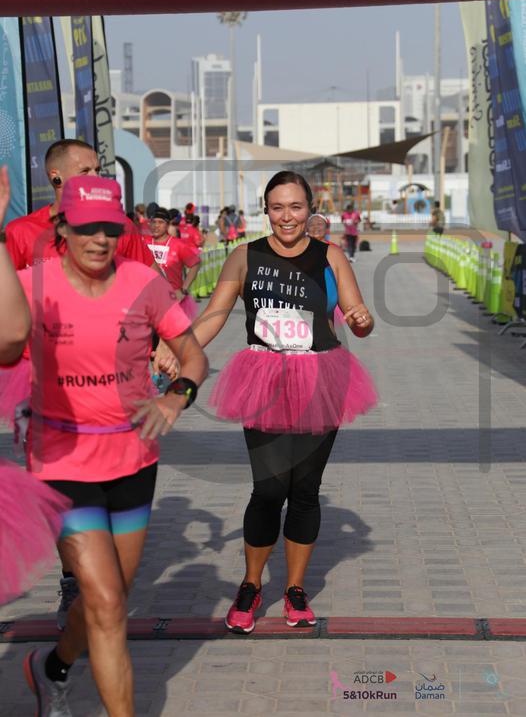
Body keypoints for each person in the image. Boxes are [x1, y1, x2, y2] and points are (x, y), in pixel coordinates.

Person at [16, 174, 208, 717]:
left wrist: (176, 396)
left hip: (133, 458)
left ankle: (53, 667)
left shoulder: (143, 282)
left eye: (110, 228)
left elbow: (192, 354)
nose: (99, 239)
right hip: (61, 460)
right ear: (62, 227)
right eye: (86, 227)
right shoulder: (30, 286)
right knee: (104, 600)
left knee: (112, 597)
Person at [193, 170, 377, 634]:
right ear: (266, 210)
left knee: (305, 490)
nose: (287, 216)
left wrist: (361, 319)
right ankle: (251, 585)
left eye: (296, 207)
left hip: (320, 378)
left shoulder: (330, 255)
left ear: (310, 209)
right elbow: (214, 314)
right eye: (278, 207)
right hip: (264, 379)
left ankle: (295, 589)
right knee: (269, 489)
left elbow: (359, 320)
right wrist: (178, 349)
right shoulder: (245, 256)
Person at [0, 166, 71, 608]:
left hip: (96, 384)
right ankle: (74, 578)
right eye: (85, 170)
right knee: (55, 480)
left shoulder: (116, 231)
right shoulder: (22, 232)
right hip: (33, 377)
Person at [4, 139, 154, 269]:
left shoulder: (123, 227)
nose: (96, 177)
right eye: (85, 171)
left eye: (97, 170)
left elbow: (156, 287)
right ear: (56, 177)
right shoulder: (20, 232)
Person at [143, 207, 201, 318]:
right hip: (147, 298)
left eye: (160, 222)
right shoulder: (143, 241)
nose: (156, 225)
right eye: (153, 222)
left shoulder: (178, 245)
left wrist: (184, 289)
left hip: (171, 298)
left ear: (167, 224)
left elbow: (196, 263)